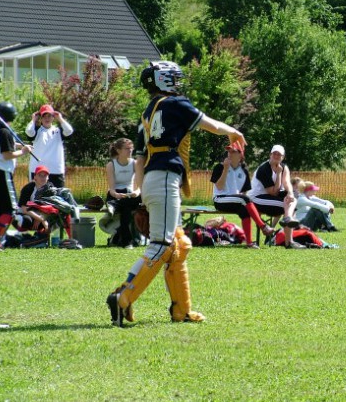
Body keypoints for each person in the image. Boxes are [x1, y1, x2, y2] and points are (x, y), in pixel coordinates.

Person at [106, 61, 247, 327]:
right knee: (161, 244)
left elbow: (139, 157)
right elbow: (210, 125)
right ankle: (122, 297)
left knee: (178, 245)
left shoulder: (147, 113)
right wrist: (233, 131)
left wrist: (138, 187)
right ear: (163, 80)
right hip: (165, 178)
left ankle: (182, 309)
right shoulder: (174, 103)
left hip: (153, 178)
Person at [0, 100, 32, 251]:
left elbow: (2, 146)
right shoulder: (4, 130)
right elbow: (7, 154)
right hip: (1, 172)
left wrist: (18, 145)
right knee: (10, 210)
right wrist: (23, 152)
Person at [210, 143, 274, 249]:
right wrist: (225, 169)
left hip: (236, 200)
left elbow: (244, 192)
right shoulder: (220, 167)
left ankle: (249, 243)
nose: (229, 153)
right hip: (220, 200)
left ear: (240, 154)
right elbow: (219, 187)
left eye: (233, 151)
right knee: (244, 199)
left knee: (245, 211)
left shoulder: (243, 170)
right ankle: (263, 226)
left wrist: (244, 204)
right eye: (228, 151)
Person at [249, 145, 304, 249]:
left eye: (279, 154)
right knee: (286, 204)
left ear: (283, 157)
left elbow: (287, 182)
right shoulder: (263, 169)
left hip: (269, 197)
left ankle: (288, 219)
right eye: (274, 153)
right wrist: (278, 173)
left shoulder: (284, 167)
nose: (276, 156)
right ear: (270, 155)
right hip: (256, 198)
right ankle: (289, 241)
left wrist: (290, 193)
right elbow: (274, 192)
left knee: (293, 197)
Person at [104, 138, 142, 248]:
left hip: (129, 195)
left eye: (131, 148)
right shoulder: (111, 165)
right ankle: (127, 242)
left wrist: (136, 192)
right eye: (127, 148)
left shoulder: (135, 163)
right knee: (127, 211)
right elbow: (112, 189)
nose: (130, 151)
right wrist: (116, 195)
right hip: (116, 194)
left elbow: (139, 186)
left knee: (128, 204)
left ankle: (113, 206)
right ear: (118, 150)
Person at [25, 104, 73, 188]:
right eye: (44, 116)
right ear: (41, 118)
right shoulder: (36, 131)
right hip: (37, 171)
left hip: (56, 170)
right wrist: (33, 120)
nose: (47, 118)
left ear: (53, 117)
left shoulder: (59, 131)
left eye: (49, 116)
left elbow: (69, 131)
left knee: (57, 197)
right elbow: (29, 131)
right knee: (35, 197)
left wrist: (60, 119)